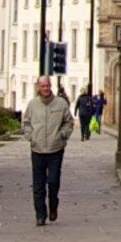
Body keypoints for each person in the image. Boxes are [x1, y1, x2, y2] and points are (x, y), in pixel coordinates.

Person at [21, 75, 75, 225]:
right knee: (38, 185)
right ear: (38, 87)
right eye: (42, 86)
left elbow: (68, 122)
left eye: (47, 86)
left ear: (51, 86)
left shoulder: (60, 104)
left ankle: (53, 206)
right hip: (37, 149)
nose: (45, 89)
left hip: (55, 149)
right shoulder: (32, 105)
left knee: (53, 181)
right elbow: (26, 123)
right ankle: (40, 214)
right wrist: (30, 136)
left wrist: (62, 135)